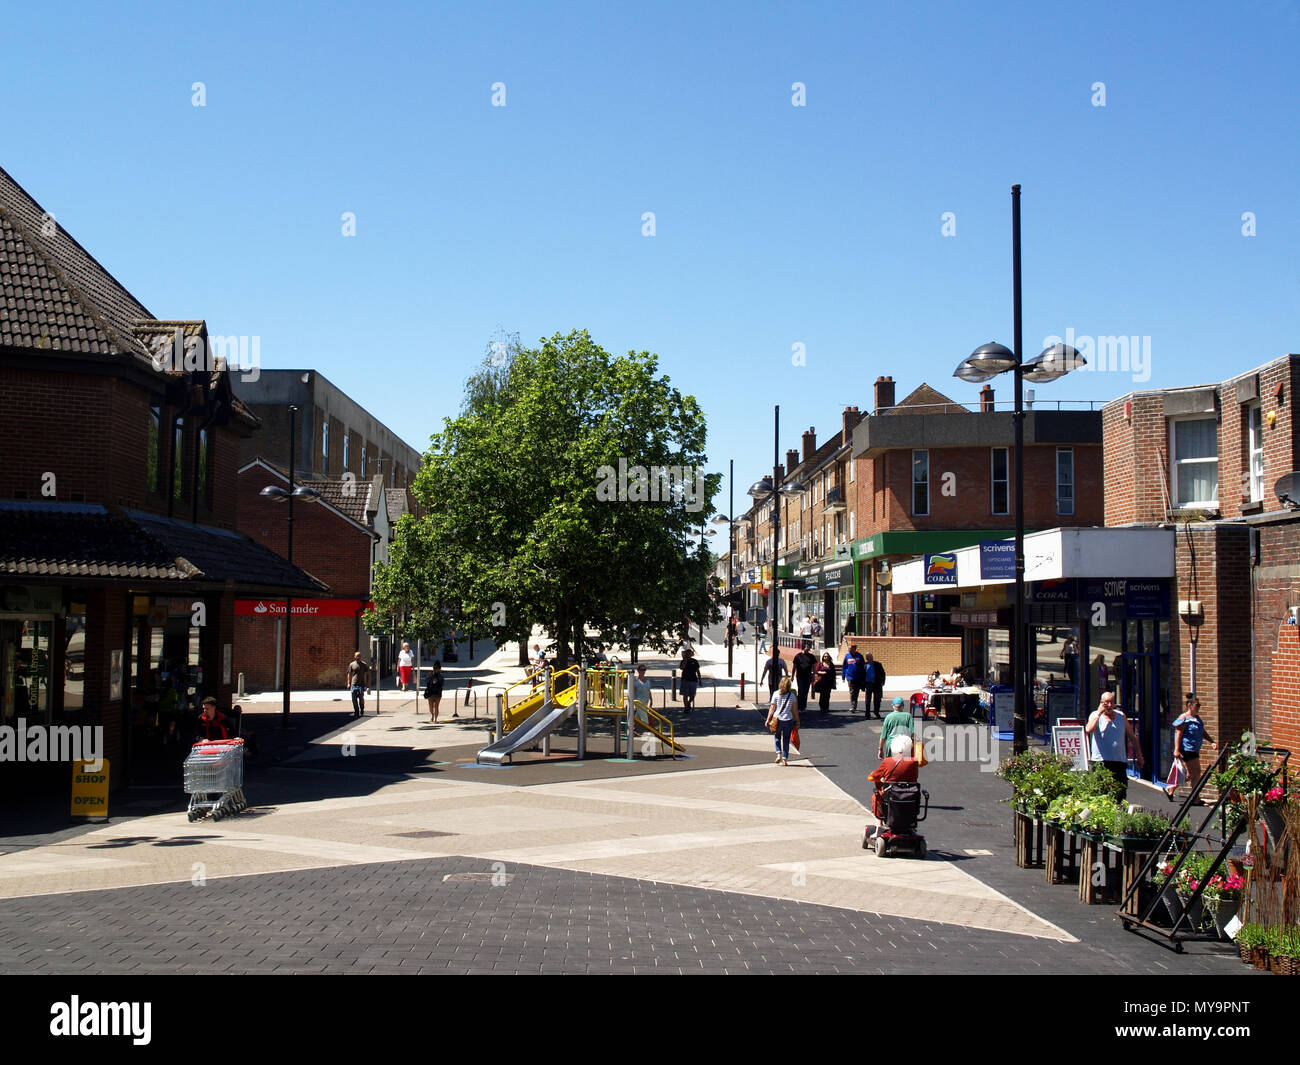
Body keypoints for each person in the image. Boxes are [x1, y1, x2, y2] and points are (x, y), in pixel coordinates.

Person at [1085, 691, 1144, 798]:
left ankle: (1119, 813)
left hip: (1118, 761)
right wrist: (1099, 713)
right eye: (1106, 702)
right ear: (1101, 703)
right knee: (1100, 793)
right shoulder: (1094, 715)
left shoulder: (1121, 716)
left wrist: (1139, 755)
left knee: (1120, 793)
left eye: (1112, 702)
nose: (1110, 705)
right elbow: (1088, 729)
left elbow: (1132, 736)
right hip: (1100, 761)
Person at [1165, 693, 1216, 803]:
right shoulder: (1184, 718)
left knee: (1191, 774)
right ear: (1189, 705)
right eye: (1197, 705)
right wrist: (1176, 749)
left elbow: (1202, 732)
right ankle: (1195, 798)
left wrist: (1211, 741)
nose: (1199, 708)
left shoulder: (1197, 718)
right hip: (1187, 749)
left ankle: (1171, 789)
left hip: (1194, 749)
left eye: (1199, 705)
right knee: (1196, 773)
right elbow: (1178, 733)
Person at [867, 733, 921, 836]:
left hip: (891, 794)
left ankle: (879, 827)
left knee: (876, 797)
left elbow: (875, 776)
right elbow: (914, 779)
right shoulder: (913, 762)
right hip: (909, 795)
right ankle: (909, 826)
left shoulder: (888, 761)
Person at [766, 676, 800, 766]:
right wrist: (797, 721)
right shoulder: (792, 695)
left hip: (777, 719)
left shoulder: (776, 694)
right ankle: (784, 759)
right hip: (788, 719)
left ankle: (778, 755)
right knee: (786, 739)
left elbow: (772, 708)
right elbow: (795, 710)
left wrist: (768, 719)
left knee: (777, 736)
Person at [791, 644, 816, 714]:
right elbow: (794, 667)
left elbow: (814, 667)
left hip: (808, 676)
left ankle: (804, 706)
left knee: (806, 691)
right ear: (803, 647)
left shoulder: (811, 656)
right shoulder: (798, 656)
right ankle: (799, 707)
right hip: (800, 676)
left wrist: (813, 676)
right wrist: (792, 676)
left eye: (808, 647)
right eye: (806, 647)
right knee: (801, 691)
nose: (807, 648)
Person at [842, 645, 867, 715]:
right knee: (852, 691)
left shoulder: (859, 656)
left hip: (858, 677)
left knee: (856, 691)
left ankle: (854, 704)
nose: (849, 650)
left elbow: (863, 667)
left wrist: (863, 677)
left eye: (851, 649)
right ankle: (853, 706)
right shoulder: (847, 656)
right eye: (849, 649)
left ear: (854, 649)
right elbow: (844, 666)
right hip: (850, 677)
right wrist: (843, 676)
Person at [346, 651, 371, 718]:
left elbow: (368, 674)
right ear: (354, 657)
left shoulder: (364, 664)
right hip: (353, 684)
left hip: (361, 684)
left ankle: (362, 709)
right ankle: (356, 711)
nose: (358, 657)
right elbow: (349, 674)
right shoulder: (352, 664)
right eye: (357, 656)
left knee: (361, 698)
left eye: (359, 656)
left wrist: (368, 684)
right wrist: (348, 683)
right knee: (354, 699)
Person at [678, 647, 702, 714]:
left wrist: (700, 680)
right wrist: (685, 660)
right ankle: (686, 707)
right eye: (687, 654)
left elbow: (698, 671)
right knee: (685, 695)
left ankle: (688, 703)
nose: (688, 655)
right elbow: (681, 668)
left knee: (692, 695)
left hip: (693, 679)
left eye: (689, 653)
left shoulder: (695, 661)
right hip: (685, 679)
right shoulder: (683, 661)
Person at [864, 652, 887, 718]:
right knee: (868, 700)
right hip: (868, 684)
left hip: (877, 684)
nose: (870, 658)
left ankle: (876, 712)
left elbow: (883, 674)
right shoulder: (864, 665)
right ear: (866, 658)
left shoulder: (878, 664)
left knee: (877, 699)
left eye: (871, 657)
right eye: (868, 657)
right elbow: (862, 675)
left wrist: (882, 682)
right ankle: (867, 714)